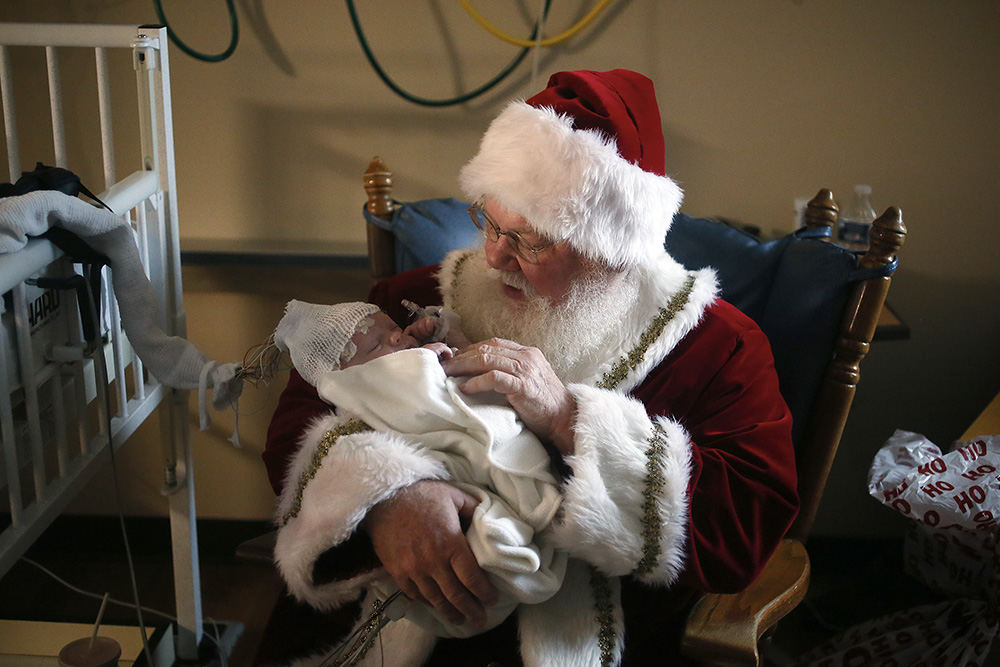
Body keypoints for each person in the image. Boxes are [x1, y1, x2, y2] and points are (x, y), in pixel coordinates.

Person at [264, 69, 798, 666]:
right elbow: (299, 419)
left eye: (532, 241)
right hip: (398, 616)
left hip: (605, 639)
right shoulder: (413, 298)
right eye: (489, 223)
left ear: (614, 251)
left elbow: (744, 526)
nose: (494, 257)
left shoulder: (718, 347)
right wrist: (388, 496)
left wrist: (571, 420)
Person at [268, 299, 567, 639]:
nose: (396, 339)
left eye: (394, 330)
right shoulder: (364, 362)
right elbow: (290, 435)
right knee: (491, 535)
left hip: (499, 465)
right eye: (377, 344)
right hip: (456, 480)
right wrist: (385, 497)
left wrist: (438, 332)